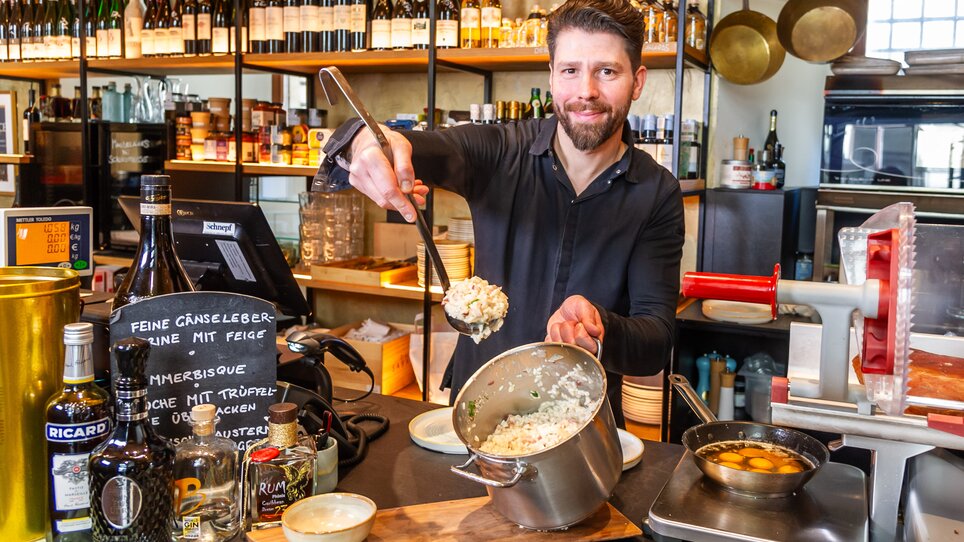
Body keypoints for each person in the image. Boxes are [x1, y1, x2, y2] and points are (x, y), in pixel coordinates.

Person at [312, 0, 684, 426]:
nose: (586, 91)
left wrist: (600, 330)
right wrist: (364, 143)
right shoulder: (498, 151)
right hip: (479, 408)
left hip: (582, 421)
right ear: (551, 76)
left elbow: (656, 337)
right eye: (570, 70)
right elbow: (407, 144)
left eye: (607, 71)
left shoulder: (656, 192)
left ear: (637, 81)